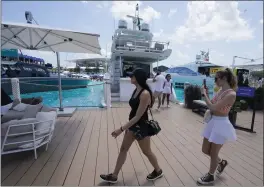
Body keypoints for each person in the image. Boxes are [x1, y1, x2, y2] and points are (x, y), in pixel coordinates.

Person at [100, 68, 163, 184]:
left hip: (141, 127)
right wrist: (127, 127)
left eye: (132, 76)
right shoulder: (136, 90)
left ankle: (158, 171)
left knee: (147, 151)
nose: (130, 77)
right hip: (132, 126)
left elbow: (138, 116)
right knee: (123, 149)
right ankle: (114, 176)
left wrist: (120, 129)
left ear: (137, 78)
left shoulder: (144, 94)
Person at [198, 68, 237, 185]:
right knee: (205, 149)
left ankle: (210, 176)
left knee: (214, 152)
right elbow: (212, 104)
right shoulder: (220, 91)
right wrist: (207, 95)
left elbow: (214, 108)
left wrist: (204, 94)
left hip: (221, 124)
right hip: (213, 122)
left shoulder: (231, 94)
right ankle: (221, 162)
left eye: (216, 78)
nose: (215, 81)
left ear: (224, 78)